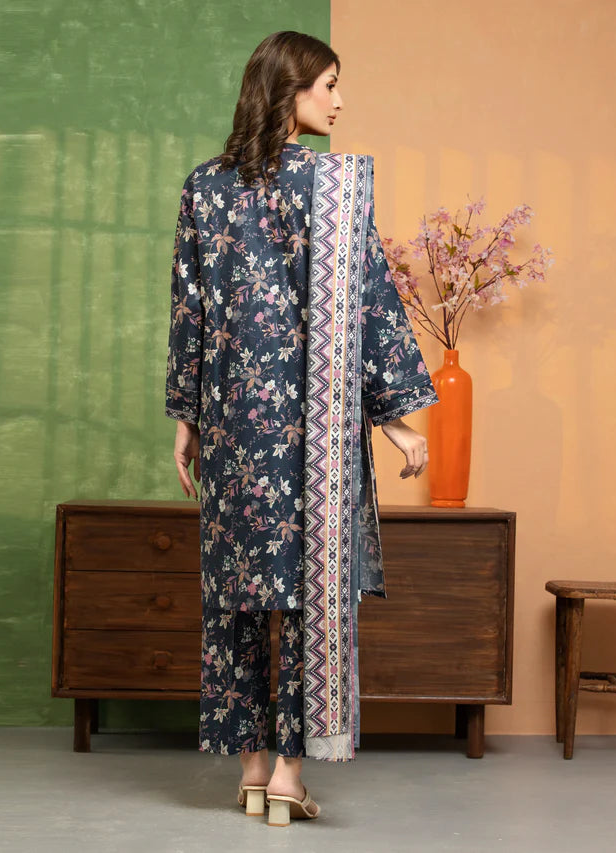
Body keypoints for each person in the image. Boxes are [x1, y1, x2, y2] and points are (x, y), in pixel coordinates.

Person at [165, 31, 439, 826]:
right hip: (312, 432)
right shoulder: (336, 189)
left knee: (240, 595)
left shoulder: (203, 188)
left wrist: (186, 416)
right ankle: (288, 773)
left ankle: (250, 770)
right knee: (307, 594)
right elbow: (372, 303)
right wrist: (398, 421)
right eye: (329, 85)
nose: (340, 102)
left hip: (233, 430)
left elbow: (192, 312)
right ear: (290, 91)